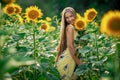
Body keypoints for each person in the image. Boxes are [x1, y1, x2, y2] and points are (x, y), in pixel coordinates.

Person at [55, 7, 82, 80]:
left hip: (68, 58)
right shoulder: (70, 27)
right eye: (67, 18)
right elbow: (70, 46)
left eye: (71, 16)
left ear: (75, 15)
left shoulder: (74, 27)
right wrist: (78, 62)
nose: (70, 19)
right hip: (68, 60)